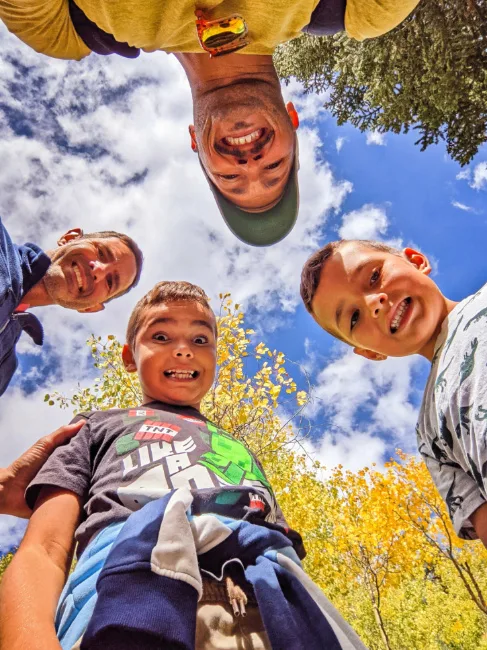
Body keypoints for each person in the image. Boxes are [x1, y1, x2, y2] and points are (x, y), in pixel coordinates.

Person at [0, 281, 368, 650]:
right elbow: (44, 547)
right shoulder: (93, 425)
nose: (183, 351)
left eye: (200, 340)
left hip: (276, 605)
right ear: (130, 357)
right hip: (120, 596)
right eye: (160, 336)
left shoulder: (239, 448)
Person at [0, 0, 420, 246]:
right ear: (293, 120)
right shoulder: (365, 9)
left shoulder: (65, 31)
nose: (249, 163)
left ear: (195, 144)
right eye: (272, 168)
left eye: (231, 178)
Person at [300, 239, 487, 547]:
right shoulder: (429, 435)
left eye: (374, 277)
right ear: (369, 353)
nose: (373, 302)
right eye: (354, 318)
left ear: (416, 260)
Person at [0, 218, 143, 397]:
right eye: (101, 253)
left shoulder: (4, 365)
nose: (97, 271)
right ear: (69, 238)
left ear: (90, 308)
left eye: (109, 282)